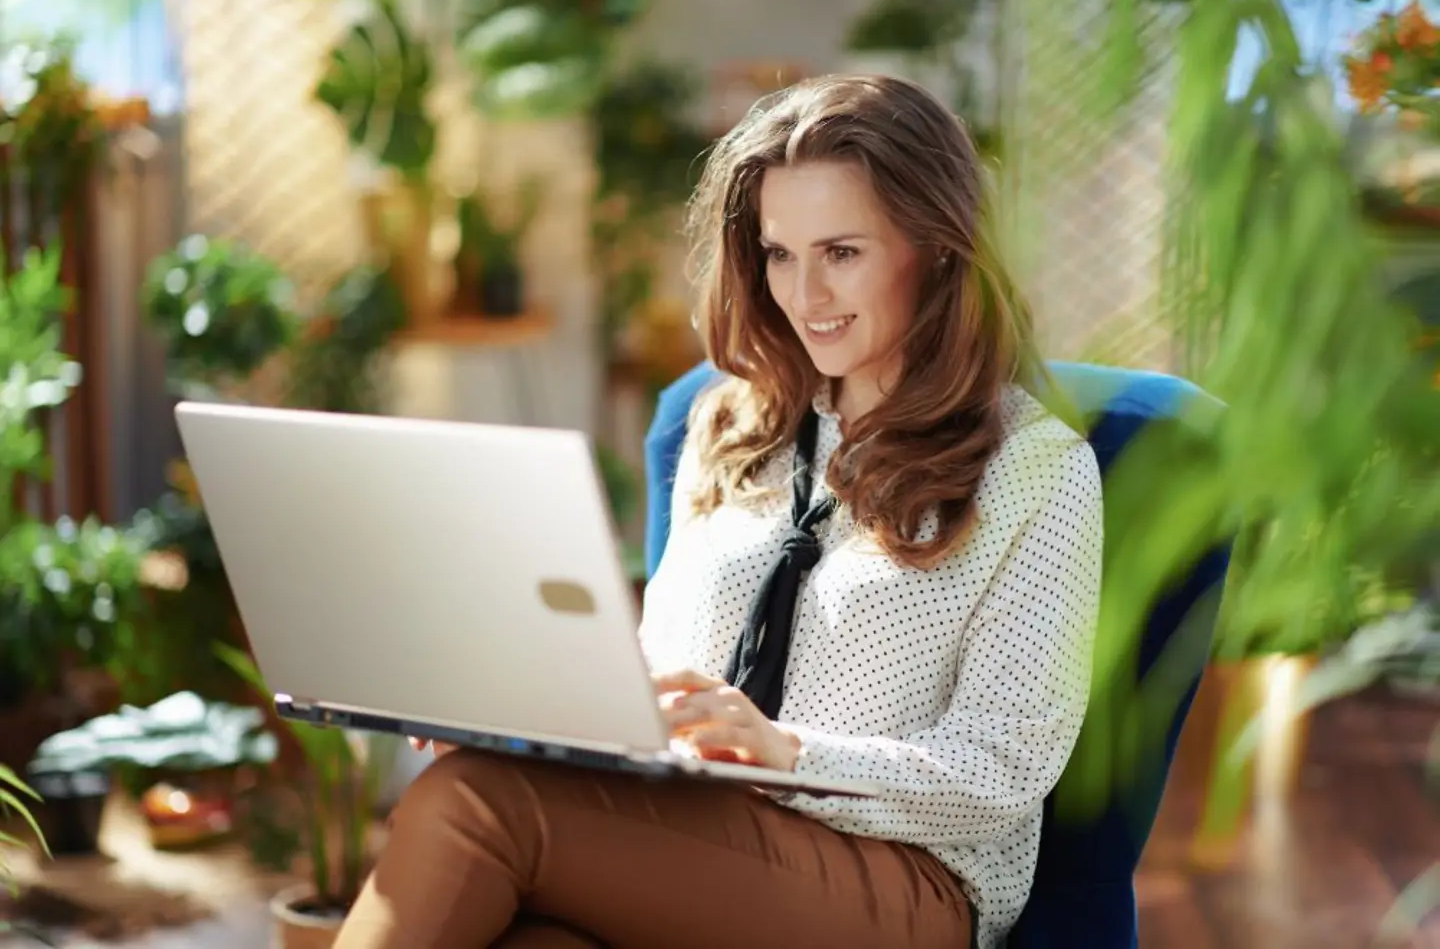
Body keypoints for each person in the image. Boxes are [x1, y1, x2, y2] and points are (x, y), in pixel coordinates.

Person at [333, 73, 1103, 949]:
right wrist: (532, 720)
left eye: (842, 252)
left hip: (906, 879)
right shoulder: (733, 420)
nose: (806, 295)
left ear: (935, 246)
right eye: (781, 254)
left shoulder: (1037, 470)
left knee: (471, 802)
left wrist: (787, 754)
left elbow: (1003, 770)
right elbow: (665, 668)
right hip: (697, 831)